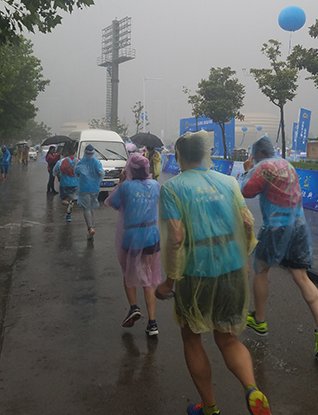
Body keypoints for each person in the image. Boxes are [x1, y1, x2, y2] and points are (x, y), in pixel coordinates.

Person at [156, 131, 271, 415]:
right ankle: (252, 390)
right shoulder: (229, 182)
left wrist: (169, 281)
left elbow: (176, 237)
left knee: (191, 337)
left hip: (195, 272)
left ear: (179, 156)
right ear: (205, 153)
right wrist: (243, 260)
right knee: (228, 338)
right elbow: (247, 223)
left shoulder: (172, 188)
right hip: (232, 266)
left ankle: (209, 408)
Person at [239, 135, 318, 358]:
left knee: (261, 270)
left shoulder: (263, 167)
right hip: (299, 226)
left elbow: (246, 191)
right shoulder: (286, 165)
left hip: (276, 226)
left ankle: (259, 320)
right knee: (301, 276)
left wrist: (247, 171)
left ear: (258, 153)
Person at [105, 153, 161, 336]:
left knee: (129, 272)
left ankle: (134, 307)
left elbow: (112, 202)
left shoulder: (126, 187)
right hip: (152, 236)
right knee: (148, 278)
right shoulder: (155, 185)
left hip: (132, 237)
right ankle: (152, 323)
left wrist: (121, 182)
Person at [74, 144, 104, 240]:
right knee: (92, 207)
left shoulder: (81, 162)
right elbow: (100, 172)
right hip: (94, 188)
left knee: (86, 208)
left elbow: (76, 172)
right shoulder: (96, 162)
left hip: (84, 188)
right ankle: (92, 226)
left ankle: (90, 228)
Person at [54, 146, 79, 221]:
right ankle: (68, 216)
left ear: (67, 153)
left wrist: (58, 176)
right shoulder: (78, 162)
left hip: (64, 183)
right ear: (74, 153)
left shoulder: (61, 161)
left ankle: (68, 206)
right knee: (72, 199)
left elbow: (55, 170)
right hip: (75, 183)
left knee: (63, 200)